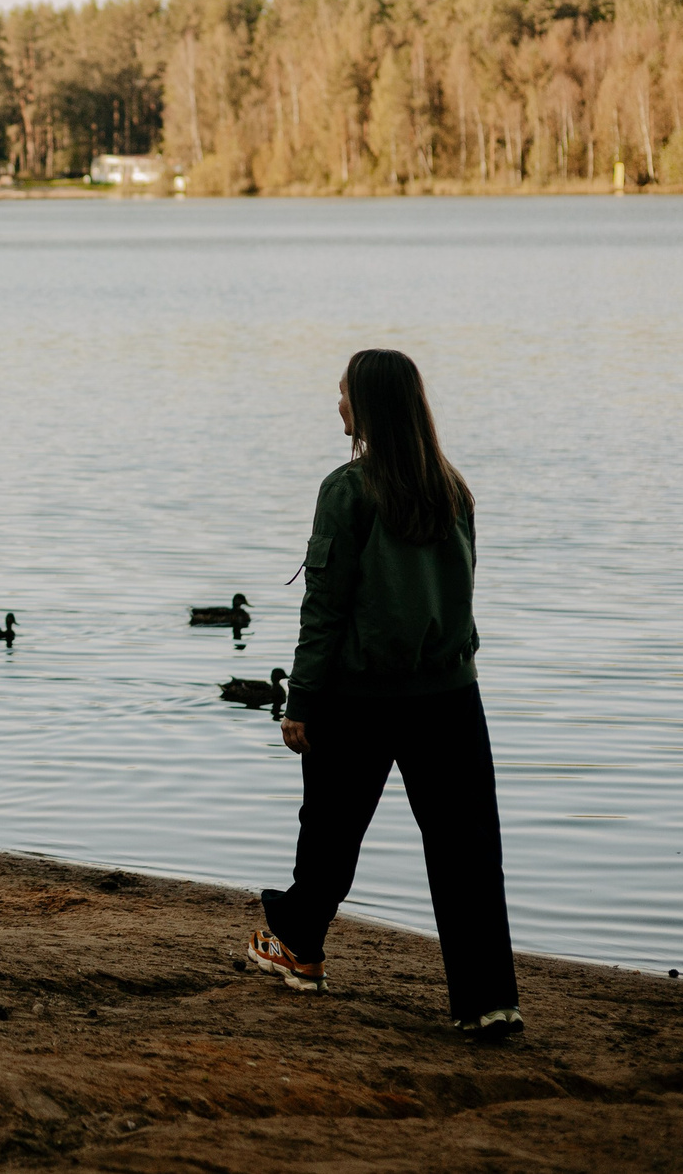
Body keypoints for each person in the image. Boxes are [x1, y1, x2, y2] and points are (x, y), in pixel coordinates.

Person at [247, 348, 523, 1040]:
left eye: (343, 393)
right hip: (450, 695)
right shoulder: (453, 488)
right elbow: (461, 593)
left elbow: (325, 606)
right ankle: (488, 1001)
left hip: (358, 697)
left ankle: (298, 948)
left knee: (331, 833)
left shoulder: (347, 490)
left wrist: (301, 700)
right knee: (467, 849)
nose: (337, 404)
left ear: (368, 405)